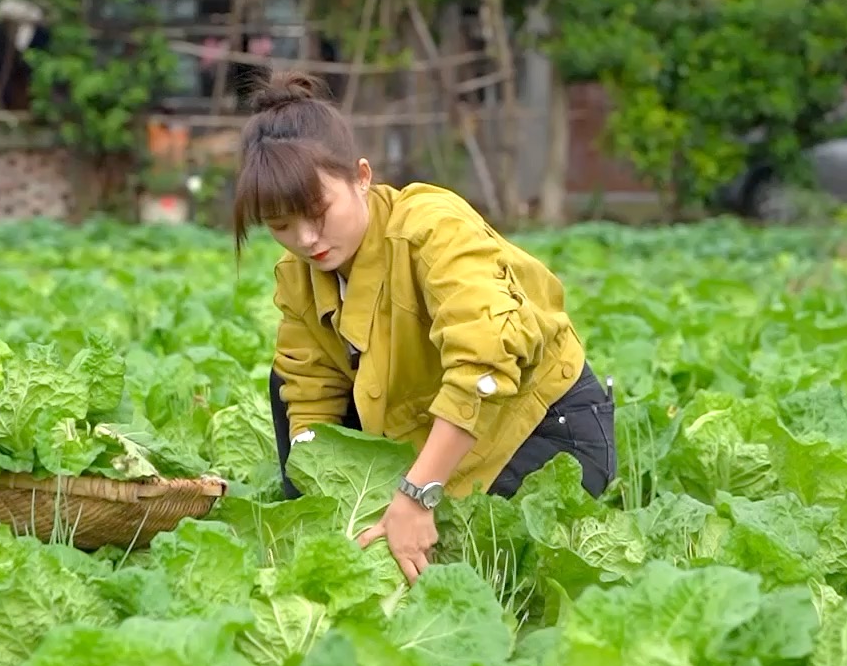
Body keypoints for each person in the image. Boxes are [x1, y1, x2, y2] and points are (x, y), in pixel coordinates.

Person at [234, 73, 615, 584]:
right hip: (435, 436)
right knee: (286, 384)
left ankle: (424, 493)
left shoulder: (432, 227)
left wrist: (416, 495)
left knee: (484, 570)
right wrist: (329, 495)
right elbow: (309, 388)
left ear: (362, 177)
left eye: (317, 213)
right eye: (280, 227)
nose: (305, 239)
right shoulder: (301, 275)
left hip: (541, 429)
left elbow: (484, 366)